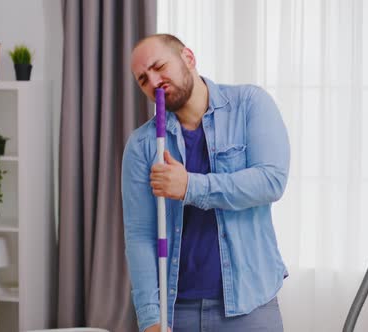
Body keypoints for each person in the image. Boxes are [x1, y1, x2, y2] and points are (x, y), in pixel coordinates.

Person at [122, 33, 290, 332]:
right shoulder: (142, 145)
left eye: (159, 66)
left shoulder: (249, 105)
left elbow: (270, 180)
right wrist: (151, 318)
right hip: (176, 311)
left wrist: (189, 186)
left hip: (250, 307)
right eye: (143, 79)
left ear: (188, 57)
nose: (153, 81)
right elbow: (140, 235)